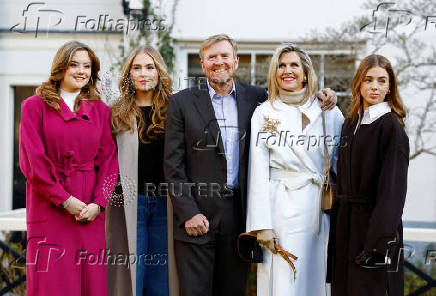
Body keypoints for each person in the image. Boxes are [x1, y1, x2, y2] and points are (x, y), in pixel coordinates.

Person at [164, 34, 338, 296]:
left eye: (225, 56)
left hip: (239, 213)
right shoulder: (182, 102)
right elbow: (173, 164)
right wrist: (188, 212)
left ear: (235, 62)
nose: (219, 62)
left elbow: (295, 99)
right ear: (202, 63)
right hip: (198, 214)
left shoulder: (257, 100)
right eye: (212, 57)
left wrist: (326, 95)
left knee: (233, 289)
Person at [19, 40, 118, 296]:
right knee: (52, 284)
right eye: (74, 64)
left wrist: (100, 203)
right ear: (61, 67)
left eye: (86, 66)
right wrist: (63, 200)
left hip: (90, 213)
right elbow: (33, 163)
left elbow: (109, 162)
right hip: (50, 209)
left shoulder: (101, 111)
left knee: (91, 285)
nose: (80, 71)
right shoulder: (34, 106)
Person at [245, 44, 344, 295]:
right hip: (279, 209)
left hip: (317, 211)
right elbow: (257, 172)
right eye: (281, 65)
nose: (287, 71)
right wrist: (261, 225)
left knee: (316, 278)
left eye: (294, 65)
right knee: (283, 280)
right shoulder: (264, 113)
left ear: (306, 72)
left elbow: (341, 166)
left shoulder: (328, 112)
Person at [329, 54, 409, 296]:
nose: (374, 87)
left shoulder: (391, 127)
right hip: (346, 227)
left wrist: (377, 247)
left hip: (374, 233)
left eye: (382, 81)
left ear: (390, 86)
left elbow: (392, 195)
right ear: (359, 84)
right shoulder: (350, 123)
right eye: (368, 80)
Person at [108, 45, 174, 296]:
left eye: (150, 67)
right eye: (137, 67)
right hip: (129, 204)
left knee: (161, 283)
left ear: (159, 72)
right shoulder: (116, 112)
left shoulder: (174, 110)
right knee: (132, 279)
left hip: (165, 206)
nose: (143, 73)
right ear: (129, 74)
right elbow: (106, 163)